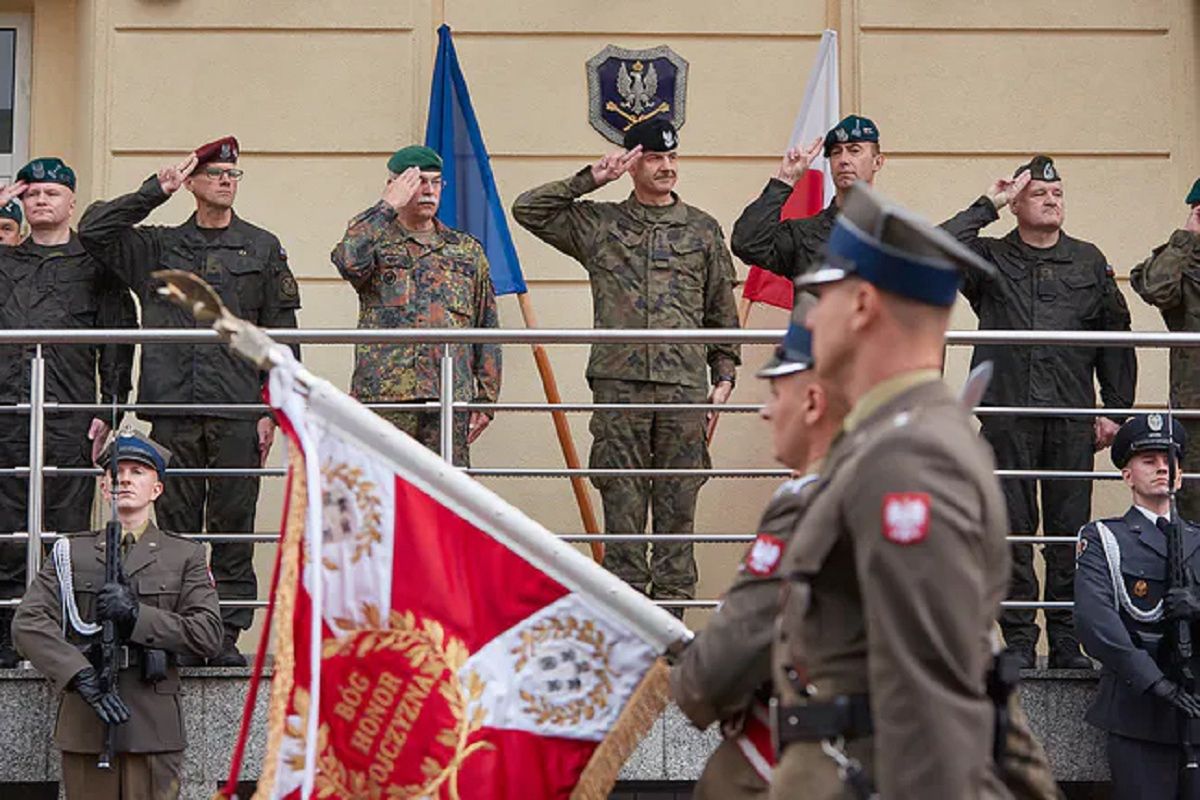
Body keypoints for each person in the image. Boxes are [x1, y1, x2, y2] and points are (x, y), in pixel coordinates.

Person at [770, 182, 1057, 798]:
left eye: (822, 296)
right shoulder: (886, 442)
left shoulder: (908, 458)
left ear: (863, 304)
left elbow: (933, 704)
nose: (810, 315)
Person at [78, 136, 301, 665]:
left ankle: (223, 635)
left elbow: (282, 334)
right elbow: (93, 231)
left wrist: (275, 409)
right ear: (194, 183)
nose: (226, 180)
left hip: (237, 407)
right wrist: (155, 190)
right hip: (173, 406)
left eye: (233, 174)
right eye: (215, 173)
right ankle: (169, 634)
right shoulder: (156, 246)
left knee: (232, 526)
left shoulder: (262, 247)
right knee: (172, 530)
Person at [512, 118, 740, 610]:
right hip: (620, 388)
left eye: (672, 158)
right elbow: (528, 209)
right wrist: (590, 179)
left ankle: (673, 643)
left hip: (683, 389)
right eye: (655, 158)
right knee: (623, 514)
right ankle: (628, 641)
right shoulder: (601, 224)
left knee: (679, 515)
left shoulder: (701, 229)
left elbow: (722, 312)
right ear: (633, 162)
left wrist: (723, 378)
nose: (666, 167)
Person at [942, 155, 1137, 669]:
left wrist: (1115, 412)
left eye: (1057, 194)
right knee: (1010, 531)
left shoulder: (1089, 261)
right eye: (1039, 194)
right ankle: (1022, 641)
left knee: (1069, 534)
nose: (1052, 200)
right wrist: (990, 203)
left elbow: (1117, 339)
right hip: (1007, 416)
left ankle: (1068, 641)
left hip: (1071, 419)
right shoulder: (989, 258)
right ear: (1018, 205)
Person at [670, 316, 845, 798]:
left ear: (812, 402)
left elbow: (713, 673)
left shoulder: (808, 502)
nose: (766, 412)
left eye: (776, 394)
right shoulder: (894, 484)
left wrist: (692, 671)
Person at [12, 430, 222, 799]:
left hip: (153, 722)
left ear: (156, 488)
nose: (125, 478)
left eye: (137, 471)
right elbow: (28, 625)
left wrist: (136, 616)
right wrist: (77, 674)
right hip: (87, 719)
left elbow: (206, 634)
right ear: (105, 486)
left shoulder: (184, 555)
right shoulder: (69, 554)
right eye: (116, 471)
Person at [0, 159, 137, 668]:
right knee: (9, 530)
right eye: (32, 193)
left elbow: (119, 343)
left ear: (71, 202)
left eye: (52, 193)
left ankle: (67, 635)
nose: (40, 201)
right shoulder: (6, 262)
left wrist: (111, 408)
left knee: (68, 530)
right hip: (9, 414)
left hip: (72, 415)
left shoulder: (97, 267)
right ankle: (7, 636)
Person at [331, 145, 500, 466]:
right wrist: (386, 206)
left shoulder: (465, 250)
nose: (428, 190)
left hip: (449, 394)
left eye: (435, 182)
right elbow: (349, 262)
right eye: (417, 181)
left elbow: (486, 325)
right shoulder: (375, 239)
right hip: (386, 395)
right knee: (385, 497)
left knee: (448, 499)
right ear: (395, 185)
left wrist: (486, 398)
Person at [1075, 414, 1200, 800]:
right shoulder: (1104, 539)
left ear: (1179, 475)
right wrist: (1156, 683)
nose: (1162, 467)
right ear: (1127, 475)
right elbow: (1096, 622)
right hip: (1139, 712)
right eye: (1148, 460)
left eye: (1169, 460)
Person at [730, 115, 884, 301]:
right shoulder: (804, 234)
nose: (844, 160)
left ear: (878, 162)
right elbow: (747, 243)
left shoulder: (900, 233)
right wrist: (785, 180)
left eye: (854, 150)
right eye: (836, 152)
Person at [1130, 178, 1200, 524]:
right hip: (1195, 415)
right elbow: (1156, 288)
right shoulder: (1184, 265)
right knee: (1192, 521)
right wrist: (1186, 238)